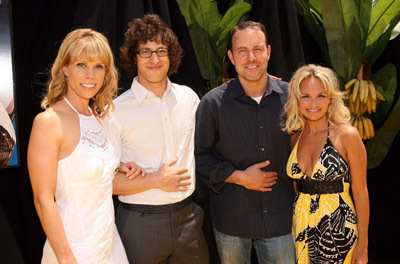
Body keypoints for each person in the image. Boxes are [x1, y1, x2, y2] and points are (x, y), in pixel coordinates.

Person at [110, 14, 209, 264]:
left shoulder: (189, 99)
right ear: (134, 57)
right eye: (146, 51)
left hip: (189, 220)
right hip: (138, 226)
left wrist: (258, 87)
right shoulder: (115, 111)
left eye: (161, 50)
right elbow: (105, 182)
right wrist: (157, 180)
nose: (154, 59)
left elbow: (223, 120)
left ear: (170, 55)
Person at [27, 28, 132, 263]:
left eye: (98, 66)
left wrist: (119, 165)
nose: (90, 75)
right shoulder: (49, 122)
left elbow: (91, 169)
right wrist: (66, 258)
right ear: (65, 68)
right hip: (71, 250)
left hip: (111, 248)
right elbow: (43, 200)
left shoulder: (100, 118)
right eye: (81, 65)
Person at [195, 21, 295, 264]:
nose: (251, 57)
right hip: (232, 219)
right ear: (231, 56)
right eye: (242, 51)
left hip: (280, 219)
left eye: (258, 49)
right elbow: (199, 158)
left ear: (269, 52)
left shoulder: (292, 98)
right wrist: (238, 176)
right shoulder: (213, 104)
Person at [283, 64, 369, 264]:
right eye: (306, 96)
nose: (313, 103)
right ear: (297, 98)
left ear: (331, 98)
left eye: (321, 95)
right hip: (301, 228)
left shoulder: (347, 135)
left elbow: (361, 191)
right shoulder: (295, 137)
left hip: (339, 231)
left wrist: (363, 242)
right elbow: (297, 187)